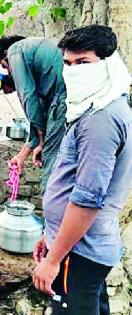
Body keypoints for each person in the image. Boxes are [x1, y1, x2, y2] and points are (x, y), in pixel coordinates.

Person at [32, 25, 132, 314]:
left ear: (107, 64)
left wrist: (53, 260)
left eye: (83, 62)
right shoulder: (97, 107)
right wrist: (51, 234)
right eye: (68, 63)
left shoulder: (100, 121)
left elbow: (87, 199)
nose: (74, 71)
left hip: (79, 252)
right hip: (80, 246)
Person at [0, 35, 67, 192]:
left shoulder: (15, 51)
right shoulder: (39, 52)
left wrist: (42, 141)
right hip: (69, 99)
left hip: (64, 99)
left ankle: (51, 212)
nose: (9, 72)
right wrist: (23, 155)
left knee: (50, 158)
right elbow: (40, 112)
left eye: (5, 67)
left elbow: (28, 95)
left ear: (5, 56)